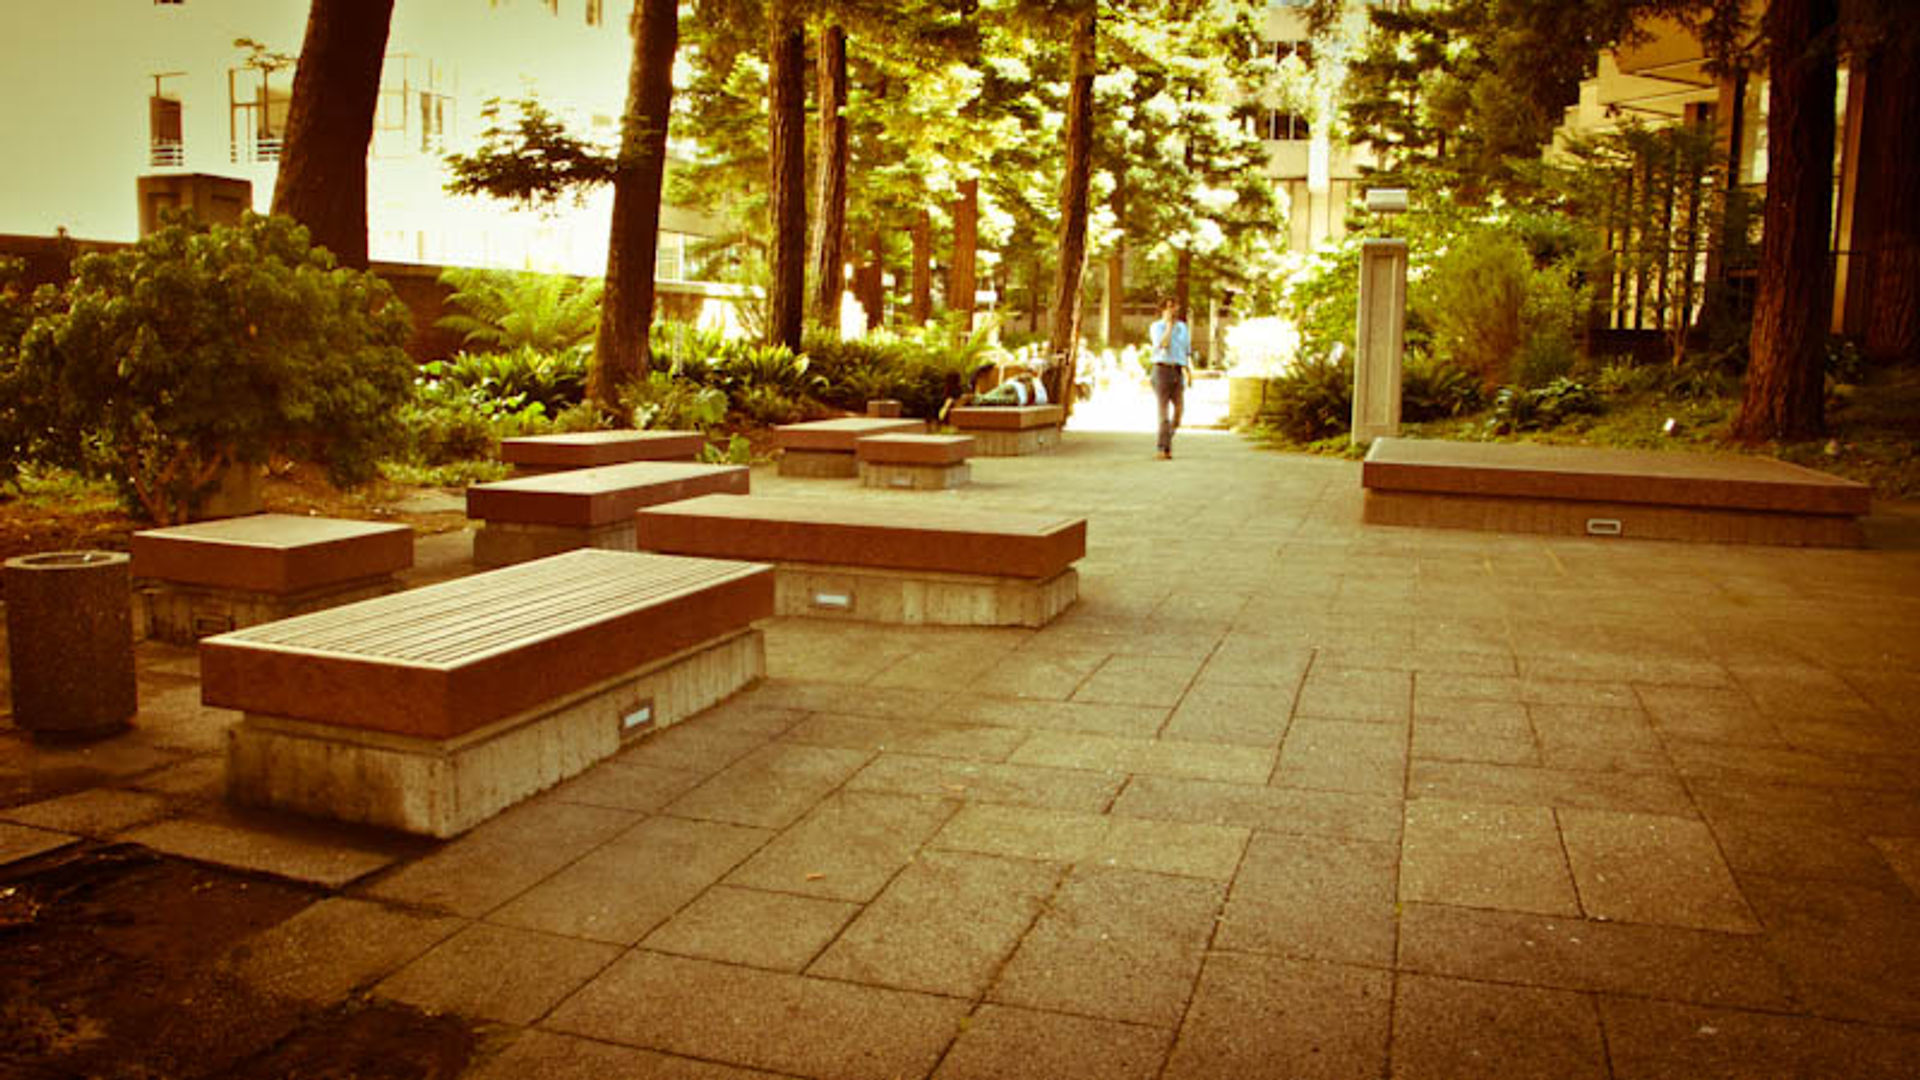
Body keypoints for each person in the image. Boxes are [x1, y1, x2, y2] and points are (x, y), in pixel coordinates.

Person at [1147, 297, 1190, 459]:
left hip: (1177, 371)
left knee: (1179, 412)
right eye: (1169, 307)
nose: (1173, 310)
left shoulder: (1183, 328)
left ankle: (1166, 440)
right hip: (1161, 370)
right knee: (1163, 414)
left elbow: (1186, 351)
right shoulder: (1156, 327)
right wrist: (1169, 326)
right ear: (1163, 310)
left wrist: (1188, 372)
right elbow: (1163, 344)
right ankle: (1163, 448)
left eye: (1175, 306)